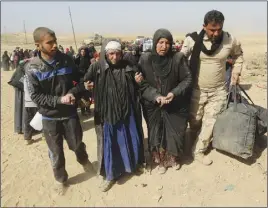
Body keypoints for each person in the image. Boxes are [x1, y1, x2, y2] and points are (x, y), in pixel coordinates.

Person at [25, 27, 94, 194]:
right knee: (55, 153)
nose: (55, 45)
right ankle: (60, 180)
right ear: (38, 45)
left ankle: (85, 162)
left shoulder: (66, 60)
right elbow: (36, 96)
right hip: (49, 118)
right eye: (50, 43)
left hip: (70, 114)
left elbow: (78, 80)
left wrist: (79, 90)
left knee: (77, 144)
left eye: (55, 41)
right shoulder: (32, 68)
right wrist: (59, 100)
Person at [181, 10, 244, 165]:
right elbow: (179, 60)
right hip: (196, 90)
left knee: (211, 122)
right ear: (204, 26)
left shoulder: (229, 39)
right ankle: (194, 137)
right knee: (195, 121)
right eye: (212, 29)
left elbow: (238, 55)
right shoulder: (192, 39)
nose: (216, 33)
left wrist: (236, 72)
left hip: (219, 91)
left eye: (219, 29)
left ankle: (199, 151)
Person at [84, 40, 144, 192]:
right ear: (106, 54)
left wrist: (139, 82)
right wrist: (86, 85)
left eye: (117, 53)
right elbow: (84, 81)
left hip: (127, 111)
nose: (115, 57)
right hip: (108, 113)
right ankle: (110, 175)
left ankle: (133, 166)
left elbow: (139, 84)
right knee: (111, 143)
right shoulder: (97, 67)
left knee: (131, 138)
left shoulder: (129, 66)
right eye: (111, 53)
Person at [135, 29, 192, 174]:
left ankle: (173, 159)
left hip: (175, 103)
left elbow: (187, 79)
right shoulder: (146, 59)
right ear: (155, 43)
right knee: (156, 132)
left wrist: (174, 93)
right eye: (160, 42)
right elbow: (142, 84)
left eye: (167, 43)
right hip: (153, 105)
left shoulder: (178, 58)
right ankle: (160, 162)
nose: (164, 46)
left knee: (175, 132)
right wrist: (156, 96)